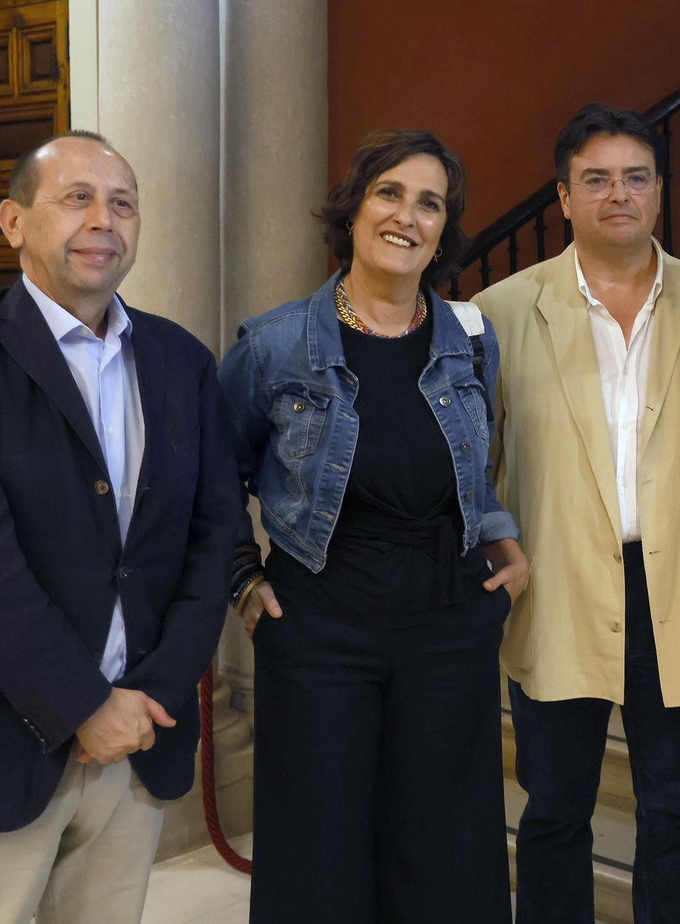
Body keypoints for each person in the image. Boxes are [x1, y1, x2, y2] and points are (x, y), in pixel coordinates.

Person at [0, 131, 237, 923]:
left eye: (123, 203)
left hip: (134, 744)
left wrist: (155, 693)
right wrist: (80, 703)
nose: (105, 219)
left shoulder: (181, 362)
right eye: (77, 198)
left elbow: (213, 536)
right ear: (13, 221)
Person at [219, 128, 529, 923]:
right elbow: (211, 474)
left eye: (430, 203)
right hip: (320, 621)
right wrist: (242, 575)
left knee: (445, 848)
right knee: (319, 850)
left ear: (444, 227)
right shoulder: (275, 342)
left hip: (448, 620)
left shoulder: (470, 338)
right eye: (389, 193)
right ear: (353, 208)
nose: (407, 216)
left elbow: (475, 453)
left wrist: (498, 530)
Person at [473, 103, 680, 923]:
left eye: (635, 177)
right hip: (557, 585)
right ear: (563, 197)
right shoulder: (500, 311)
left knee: (677, 811)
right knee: (556, 812)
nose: (617, 194)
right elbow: (477, 461)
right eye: (594, 179)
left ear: (660, 192)